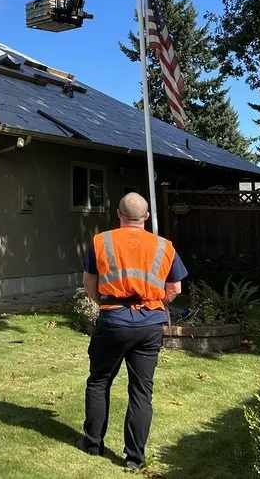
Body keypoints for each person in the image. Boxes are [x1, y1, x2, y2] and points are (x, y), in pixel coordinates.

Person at [78, 192, 187, 471]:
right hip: (150, 324)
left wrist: (104, 304)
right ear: (146, 217)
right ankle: (134, 458)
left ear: (118, 214)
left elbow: (89, 282)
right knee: (141, 391)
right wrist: (154, 303)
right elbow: (175, 288)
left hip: (113, 320)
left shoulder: (101, 241)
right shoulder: (164, 246)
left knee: (99, 381)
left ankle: (92, 444)